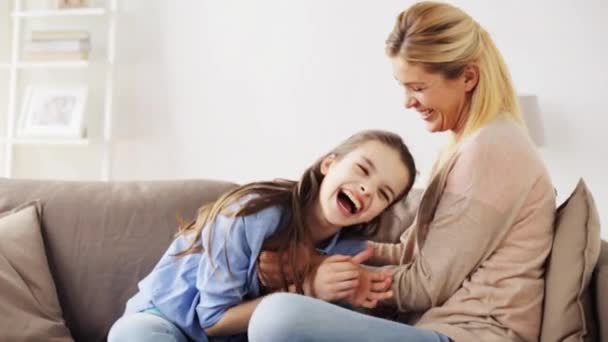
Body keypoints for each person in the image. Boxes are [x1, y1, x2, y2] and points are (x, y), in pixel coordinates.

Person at [250, 2, 556, 342]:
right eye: (403, 85)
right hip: (435, 326)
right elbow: (415, 256)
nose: (407, 102)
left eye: (418, 87)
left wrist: (316, 272)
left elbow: (424, 285)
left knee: (277, 317)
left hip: (472, 334)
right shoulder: (465, 145)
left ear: (468, 77)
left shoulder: (494, 149)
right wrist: (325, 256)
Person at [107, 129, 417, 342]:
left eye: (383, 193)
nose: (367, 189)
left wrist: (349, 293)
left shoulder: (349, 254)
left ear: (379, 211)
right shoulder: (253, 214)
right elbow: (212, 321)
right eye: (362, 170)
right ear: (329, 164)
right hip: (166, 321)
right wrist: (309, 290)